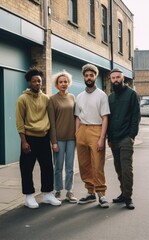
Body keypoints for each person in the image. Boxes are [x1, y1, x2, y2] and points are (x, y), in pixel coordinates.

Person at [16, 67, 61, 209]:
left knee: (47, 166)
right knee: (26, 168)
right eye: (34, 81)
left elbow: (51, 119)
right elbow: (19, 121)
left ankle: (47, 194)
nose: (37, 83)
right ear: (29, 82)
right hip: (29, 138)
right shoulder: (22, 99)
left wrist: (52, 140)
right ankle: (28, 196)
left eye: (39, 81)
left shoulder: (46, 98)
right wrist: (23, 141)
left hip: (44, 138)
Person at [75, 63, 110, 208]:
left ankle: (101, 194)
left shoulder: (102, 95)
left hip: (97, 130)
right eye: (86, 75)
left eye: (91, 75)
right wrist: (77, 134)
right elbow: (77, 116)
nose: (89, 78)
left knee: (97, 164)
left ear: (96, 76)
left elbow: (105, 117)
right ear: (83, 77)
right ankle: (90, 192)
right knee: (84, 164)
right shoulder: (80, 96)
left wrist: (102, 138)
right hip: (82, 130)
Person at [108, 68, 140, 210]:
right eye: (113, 78)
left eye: (118, 77)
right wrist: (109, 137)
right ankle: (123, 192)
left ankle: (128, 197)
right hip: (114, 139)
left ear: (123, 79)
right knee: (118, 169)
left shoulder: (132, 94)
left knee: (127, 169)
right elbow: (107, 119)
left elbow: (135, 116)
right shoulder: (110, 97)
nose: (115, 80)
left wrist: (132, 135)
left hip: (126, 138)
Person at [48, 71, 77, 204]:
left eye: (65, 81)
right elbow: (52, 122)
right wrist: (53, 141)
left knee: (70, 167)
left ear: (68, 83)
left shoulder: (72, 97)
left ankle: (69, 191)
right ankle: (58, 190)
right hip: (58, 139)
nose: (63, 84)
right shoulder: (52, 100)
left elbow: (77, 117)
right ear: (56, 84)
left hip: (71, 138)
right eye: (61, 82)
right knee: (58, 166)